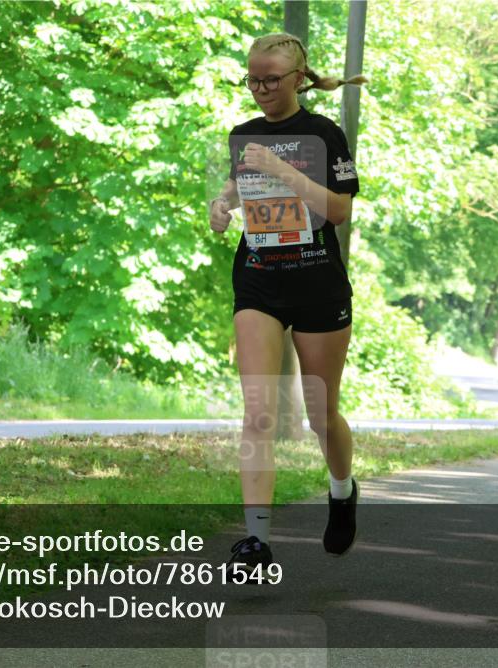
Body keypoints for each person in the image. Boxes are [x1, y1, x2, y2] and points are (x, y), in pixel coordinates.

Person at [208, 32, 368, 574]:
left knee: (322, 412)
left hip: (317, 281)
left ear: (298, 77)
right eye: (252, 79)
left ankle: (342, 490)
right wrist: (222, 205)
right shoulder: (244, 135)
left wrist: (286, 173)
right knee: (258, 414)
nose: (259, 89)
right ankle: (255, 541)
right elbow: (241, 188)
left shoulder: (325, 135)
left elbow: (340, 211)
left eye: (270, 79)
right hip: (259, 279)